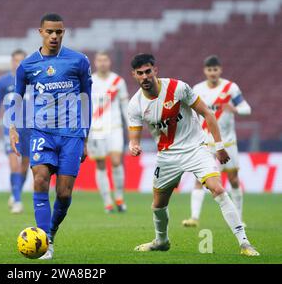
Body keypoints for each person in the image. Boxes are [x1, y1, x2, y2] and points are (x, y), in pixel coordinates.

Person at [127, 53, 259, 256]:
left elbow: (207, 112)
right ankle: (161, 241)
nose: (145, 76)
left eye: (148, 71)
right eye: (140, 73)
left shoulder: (178, 88)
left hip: (196, 148)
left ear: (155, 71)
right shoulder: (135, 105)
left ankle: (244, 243)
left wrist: (219, 145)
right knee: (158, 204)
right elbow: (134, 135)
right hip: (167, 155)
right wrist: (133, 145)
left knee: (218, 189)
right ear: (134, 75)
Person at [9, 13, 92, 260]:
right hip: (41, 132)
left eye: (59, 32)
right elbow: (17, 96)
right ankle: (43, 242)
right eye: (49, 32)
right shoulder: (27, 65)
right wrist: (13, 128)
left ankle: (51, 233)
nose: (54, 36)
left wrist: (85, 138)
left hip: (71, 135)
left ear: (63, 33)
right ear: (40, 32)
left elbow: (87, 98)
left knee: (64, 194)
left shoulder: (78, 61)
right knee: (40, 180)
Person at [183, 55, 251, 227]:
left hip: (228, 143)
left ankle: (239, 218)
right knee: (200, 179)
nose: (212, 73)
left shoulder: (230, 88)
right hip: (206, 142)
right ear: (204, 71)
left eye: (215, 69)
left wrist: (235, 109)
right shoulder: (197, 89)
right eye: (209, 69)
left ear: (220, 70)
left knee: (234, 179)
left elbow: (246, 109)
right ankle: (194, 218)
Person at [0, 49, 30, 214]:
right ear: (12, 61)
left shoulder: (32, 79)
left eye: (21, 60)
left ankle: (15, 192)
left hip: (29, 128)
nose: (18, 63)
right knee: (13, 165)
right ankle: (17, 201)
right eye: (16, 60)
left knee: (24, 167)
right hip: (10, 128)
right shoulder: (3, 82)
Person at [87, 51, 129, 213]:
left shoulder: (118, 81)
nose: (102, 63)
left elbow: (125, 105)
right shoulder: (89, 81)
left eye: (105, 60)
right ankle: (107, 202)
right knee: (100, 164)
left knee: (117, 161)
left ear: (109, 62)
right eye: (99, 60)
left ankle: (119, 198)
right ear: (95, 62)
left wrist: (130, 125)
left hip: (115, 127)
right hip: (96, 129)